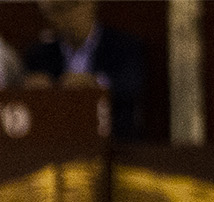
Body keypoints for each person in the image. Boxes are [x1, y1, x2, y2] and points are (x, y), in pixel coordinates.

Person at [22, 0, 145, 140]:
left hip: (113, 144)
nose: (61, 18)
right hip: (57, 143)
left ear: (90, 4)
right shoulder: (40, 54)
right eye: (52, 12)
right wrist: (37, 90)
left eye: (66, 8)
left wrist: (95, 84)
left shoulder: (121, 45)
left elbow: (131, 84)